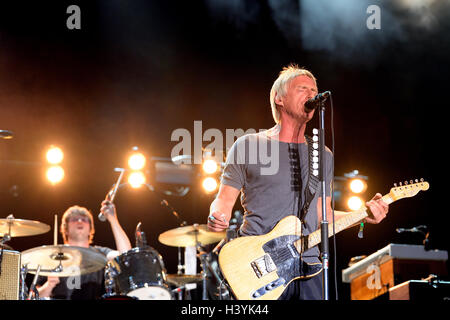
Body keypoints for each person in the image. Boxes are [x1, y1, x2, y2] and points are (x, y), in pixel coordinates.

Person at [207, 64, 389, 300]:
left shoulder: (322, 154)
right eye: (303, 89)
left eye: (314, 90)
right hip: (259, 268)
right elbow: (223, 201)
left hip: (308, 268)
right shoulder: (248, 145)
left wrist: (364, 215)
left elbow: (325, 215)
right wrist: (217, 215)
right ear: (279, 98)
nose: (312, 94)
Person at [36, 200, 132, 299]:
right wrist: (48, 285)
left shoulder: (100, 253)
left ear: (90, 229)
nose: (80, 221)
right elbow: (32, 296)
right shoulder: (51, 256)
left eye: (84, 219)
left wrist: (112, 218)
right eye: (74, 219)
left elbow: (126, 256)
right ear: (66, 229)